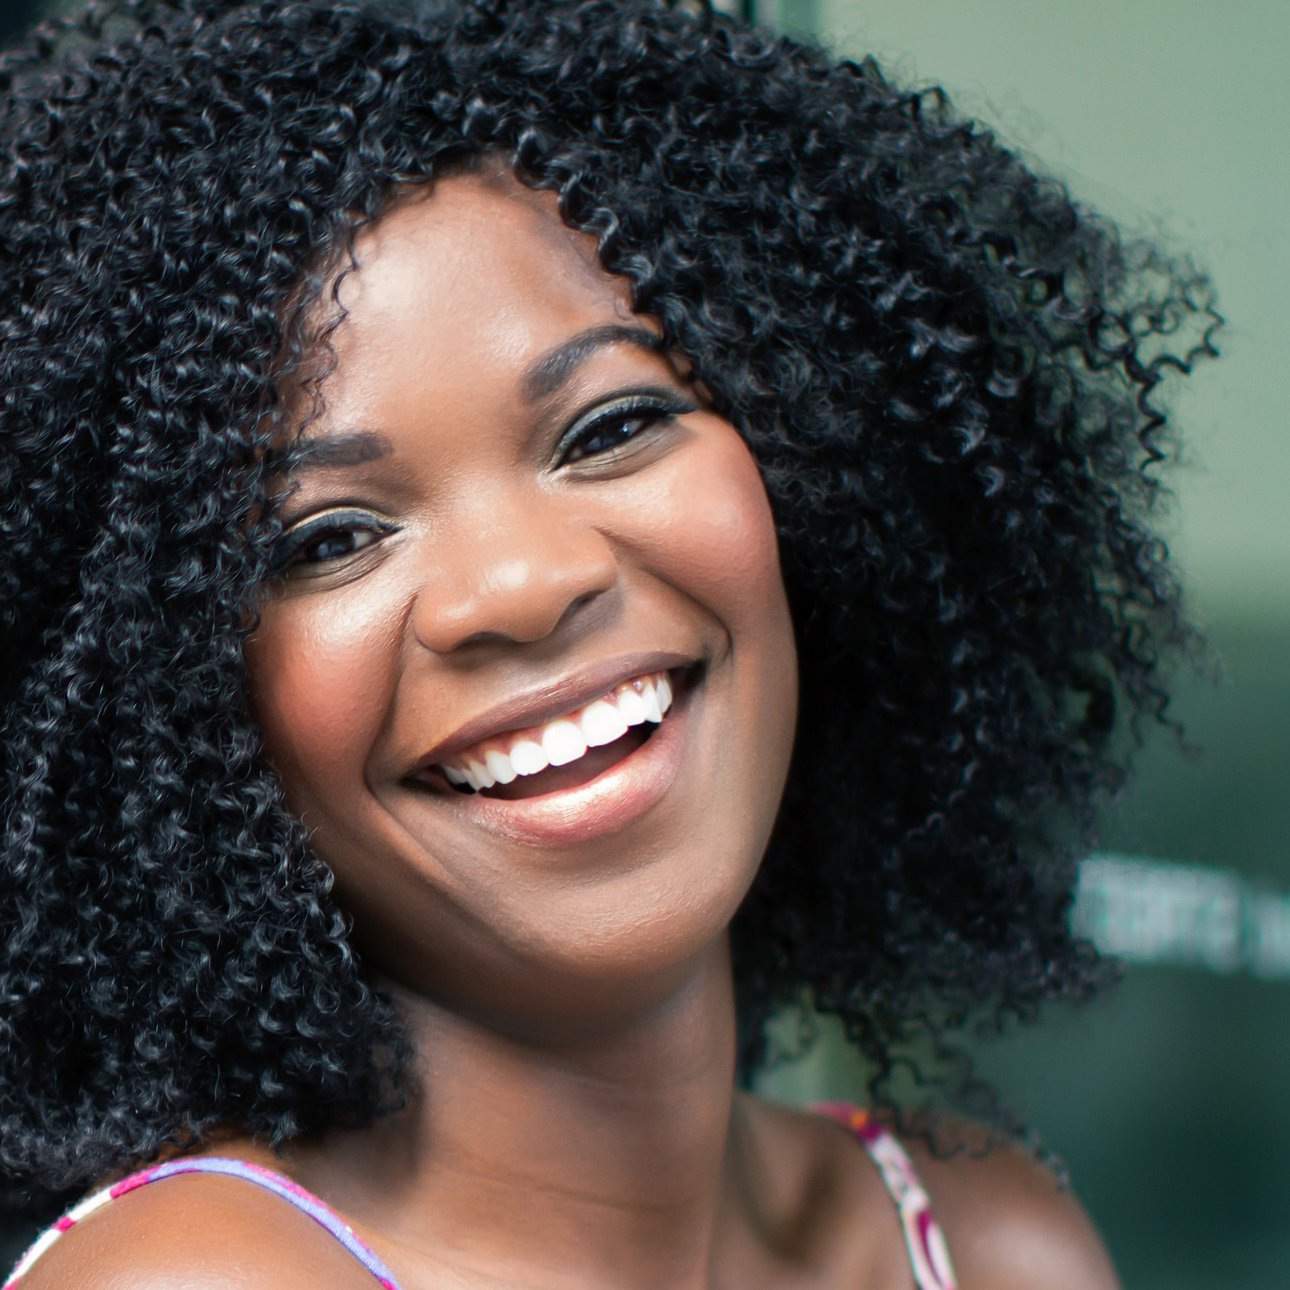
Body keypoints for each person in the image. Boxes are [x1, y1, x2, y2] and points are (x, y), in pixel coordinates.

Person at [0, 0, 1216, 1285]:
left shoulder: (984, 1242)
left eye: (610, 427)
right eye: (327, 538)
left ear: (821, 481)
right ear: (163, 711)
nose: (520, 587)